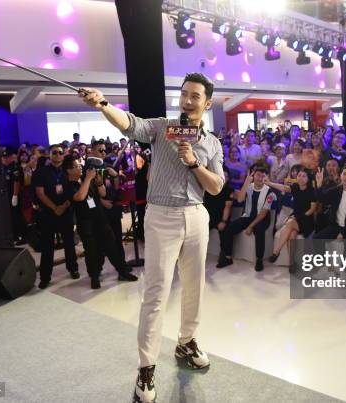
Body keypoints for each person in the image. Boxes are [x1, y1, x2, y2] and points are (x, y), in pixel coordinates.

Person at [80, 72, 224, 403]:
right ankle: (146, 368)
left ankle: (187, 342)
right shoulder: (162, 128)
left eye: (195, 96)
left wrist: (193, 163)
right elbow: (128, 124)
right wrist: (102, 103)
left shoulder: (212, 143)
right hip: (162, 217)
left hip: (197, 216)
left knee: (194, 288)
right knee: (156, 294)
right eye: (184, 94)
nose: (187, 100)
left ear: (207, 103)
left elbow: (216, 186)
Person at [62, 155, 137, 289]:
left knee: (112, 247)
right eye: (77, 166)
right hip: (86, 223)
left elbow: (102, 194)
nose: (80, 167)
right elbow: (79, 197)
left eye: (80, 165)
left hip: (100, 219)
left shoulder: (86, 179)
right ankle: (94, 277)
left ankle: (122, 271)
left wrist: (99, 183)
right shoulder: (68, 185)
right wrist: (88, 179)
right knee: (92, 252)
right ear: (69, 170)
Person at [33, 144, 79, 288]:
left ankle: (73, 269)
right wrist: (54, 208)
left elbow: (73, 190)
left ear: (64, 154)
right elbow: (40, 193)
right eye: (54, 153)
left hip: (66, 212)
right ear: (49, 155)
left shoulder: (68, 171)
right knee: (47, 247)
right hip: (48, 213)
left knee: (69, 243)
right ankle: (45, 277)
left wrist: (64, 206)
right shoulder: (41, 172)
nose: (57, 155)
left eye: (60, 153)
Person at [217, 167, 276, 272]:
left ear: (266, 178)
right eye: (258, 175)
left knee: (259, 230)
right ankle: (227, 257)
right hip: (247, 216)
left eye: (263, 176)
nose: (260, 178)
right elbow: (240, 199)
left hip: (262, 219)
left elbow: (263, 214)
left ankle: (259, 259)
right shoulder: (249, 187)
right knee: (229, 228)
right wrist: (246, 182)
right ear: (253, 176)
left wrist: (250, 226)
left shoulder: (270, 192)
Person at [266, 169, 317, 262]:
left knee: (289, 223)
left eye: (304, 176)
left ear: (308, 179)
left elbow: (312, 210)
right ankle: (292, 263)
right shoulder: (295, 186)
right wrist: (269, 183)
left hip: (306, 220)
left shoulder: (312, 191)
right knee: (292, 235)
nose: (301, 178)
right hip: (295, 218)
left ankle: (276, 252)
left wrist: (298, 217)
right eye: (299, 175)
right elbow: (283, 188)